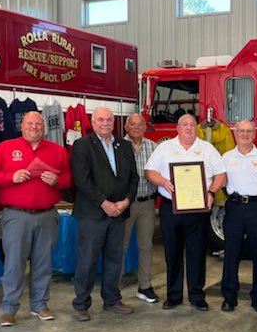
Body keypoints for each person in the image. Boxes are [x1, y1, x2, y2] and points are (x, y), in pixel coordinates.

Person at [0, 111, 72, 325]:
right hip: (16, 215)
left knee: (43, 262)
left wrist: (57, 181)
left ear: (44, 127)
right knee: (14, 263)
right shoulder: (5, 148)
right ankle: (9, 308)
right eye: (30, 124)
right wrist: (10, 177)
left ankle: (40, 304)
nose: (34, 127)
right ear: (21, 126)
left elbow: (69, 177)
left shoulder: (57, 151)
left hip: (47, 215)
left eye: (38, 124)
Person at [145, 114, 226, 311]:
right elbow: (149, 171)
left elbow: (221, 174)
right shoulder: (165, 148)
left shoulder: (207, 148)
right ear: (177, 128)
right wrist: (163, 182)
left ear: (196, 127)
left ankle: (197, 295)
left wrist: (211, 192)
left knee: (197, 252)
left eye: (192, 124)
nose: (188, 128)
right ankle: (173, 295)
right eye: (184, 125)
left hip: (198, 208)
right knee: (172, 251)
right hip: (170, 207)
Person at [70, 107, 138, 320]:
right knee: (87, 261)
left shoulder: (124, 146)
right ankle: (81, 304)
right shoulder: (82, 145)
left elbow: (134, 178)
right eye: (100, 119)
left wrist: (126, 201)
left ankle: (112, 300)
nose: (105, 123)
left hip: (119, 212)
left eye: (109, 119)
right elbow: (82, 180)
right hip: (92, 214)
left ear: (114, 122)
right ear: (93, 122)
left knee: (115, 259)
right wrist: (104, 203)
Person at [220, 120, 257, 313]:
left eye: (249, 131)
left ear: (254, 133)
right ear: (235, 133)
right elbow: (222, 184)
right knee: (231, 253)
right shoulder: (226, 158)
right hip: (234, 208)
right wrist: (235, 198)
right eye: (241, 131)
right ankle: (229, 297)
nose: (245, 134)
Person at [120, 114, 159, 303]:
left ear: (145, 127)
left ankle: (145, 287)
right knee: (120, 246)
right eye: (132, 124)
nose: (136, 127)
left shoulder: (154, 147)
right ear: (126, 127)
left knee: (146, 246)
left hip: (147, 203)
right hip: (125, 204)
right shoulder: (118, 146)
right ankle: (113, 289)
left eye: (140, 124)